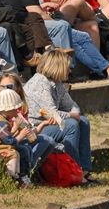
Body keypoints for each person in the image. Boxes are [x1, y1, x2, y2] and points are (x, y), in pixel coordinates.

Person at [23, 49, 95, 181]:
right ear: (57, 67)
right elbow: (51, 113)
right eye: (68, 67)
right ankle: (73, 170)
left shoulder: (57, 83)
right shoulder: (39, 83)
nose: (70, 70)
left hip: (51, 124)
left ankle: (85, 170)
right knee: (71, 125)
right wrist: (72, 115)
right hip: (37, 128)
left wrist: (74, 113)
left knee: (83, 121)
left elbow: (72, 106)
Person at [0, 85, 55, 186]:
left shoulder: (2, 118)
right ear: (7, 109)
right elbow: (8, 140)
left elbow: (5, 136)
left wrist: (17, 127)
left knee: (25, 149)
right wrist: (21, 135)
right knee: (14, 153)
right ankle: (12, 177)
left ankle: (22, 174)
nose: (17, 111)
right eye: (15, 109)